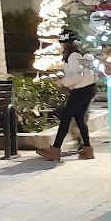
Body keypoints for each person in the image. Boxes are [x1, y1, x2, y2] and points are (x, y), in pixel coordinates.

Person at [36, 32, 97, 162]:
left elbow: (76, 76)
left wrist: (61, 82)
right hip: (89, 88)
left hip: (80, 91)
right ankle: (87, 149)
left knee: (66, 118)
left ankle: (55, 150)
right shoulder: (85, 54)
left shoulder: (73, 56)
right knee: (79, 119)